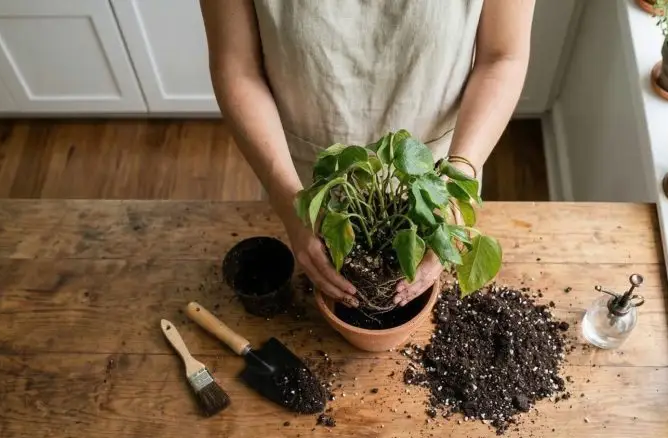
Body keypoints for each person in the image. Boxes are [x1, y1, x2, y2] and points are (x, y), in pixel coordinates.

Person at [201, 0, 535, 308]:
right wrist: (290, 204)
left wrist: (457, 184)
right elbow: (237, 66)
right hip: (302, 181)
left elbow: (502, 56)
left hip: (438, 177)